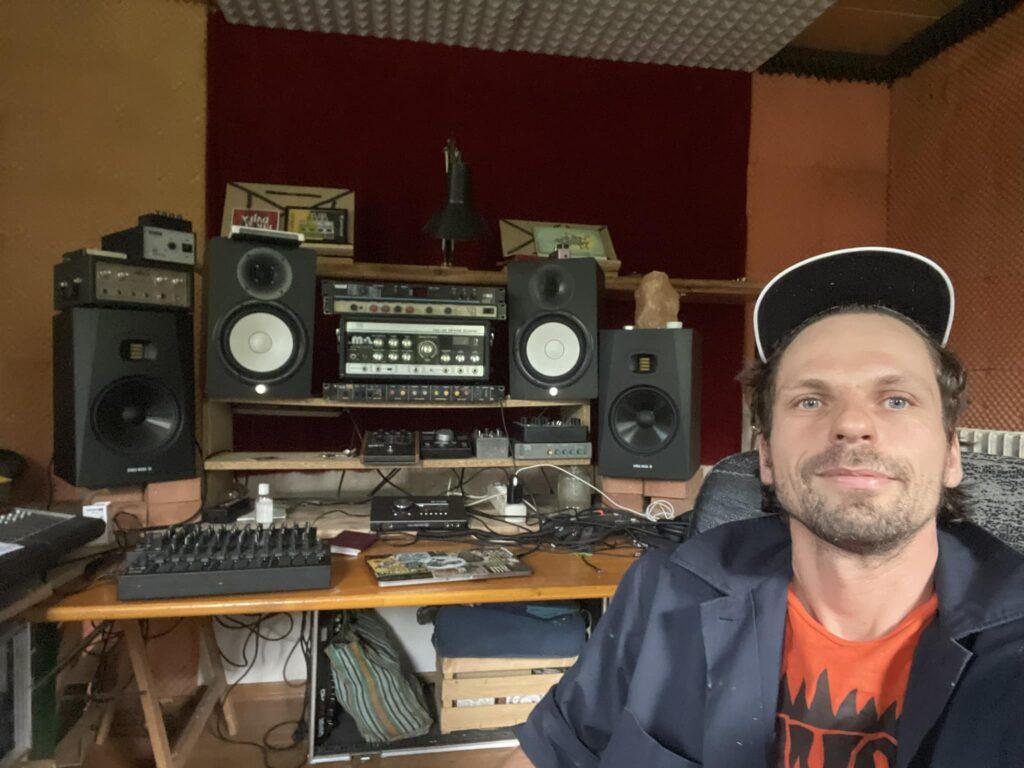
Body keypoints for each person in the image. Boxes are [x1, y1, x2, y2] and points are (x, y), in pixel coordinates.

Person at [507, 247, 1024, 768]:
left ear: (952, 454)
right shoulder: (661, 594)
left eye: (896, 400)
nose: (852, 424)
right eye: (810, 400)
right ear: (767, 456)